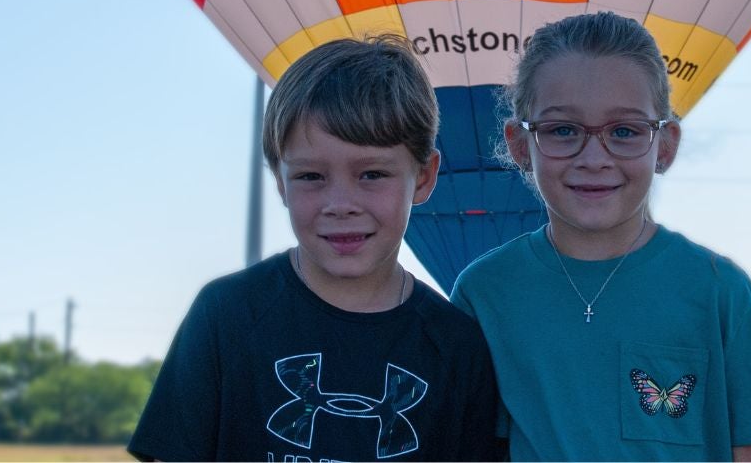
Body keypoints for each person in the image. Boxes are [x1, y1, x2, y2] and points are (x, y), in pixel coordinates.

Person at [450, 12, 751, 461]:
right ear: (521, 144)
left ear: (666, 145)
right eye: (563, 130)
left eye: (624, 132)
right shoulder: (485, 294)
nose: (594, 157)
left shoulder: (720, 292)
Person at [130, 36, 502, 462]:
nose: (340, 205)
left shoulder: (457, 347)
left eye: (372, 174)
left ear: (423, 177)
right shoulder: (226, 314)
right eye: (311, 176)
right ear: (279, 179)